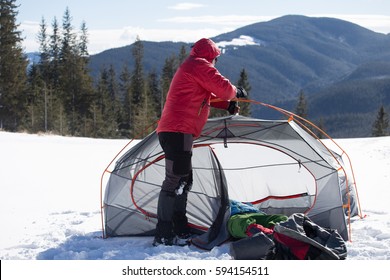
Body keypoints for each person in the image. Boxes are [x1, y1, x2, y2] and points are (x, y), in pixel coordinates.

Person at [153, 38, 248, 246]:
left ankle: (179, 227)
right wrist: (236, 93)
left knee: (184, 180)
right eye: (215, 58)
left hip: (178, 132)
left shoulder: (193, 66)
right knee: (175, 180)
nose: (215, 62)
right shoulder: (199, 65)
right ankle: (164, 233)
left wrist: (227, 105)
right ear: (211, 56)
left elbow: (206, 95)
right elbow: (224, 88)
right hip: (178, 131)